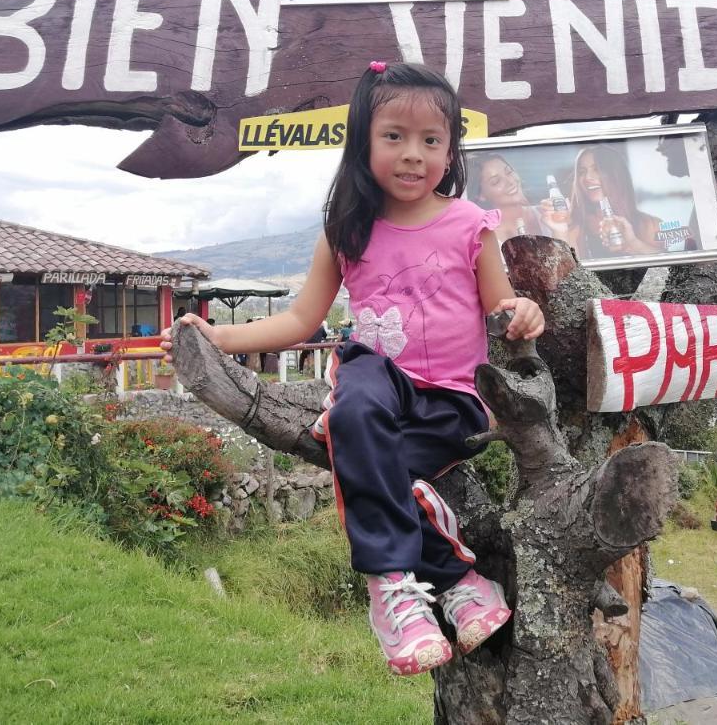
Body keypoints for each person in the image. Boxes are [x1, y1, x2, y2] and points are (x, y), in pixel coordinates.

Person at [161, 61, 543, 677]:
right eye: (394, 135)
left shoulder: (472, 226)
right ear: (363, 139)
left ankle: (448, 576)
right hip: (377, 382)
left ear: (451, 150)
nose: (413, 154)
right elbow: (298, 320)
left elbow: (501, 307)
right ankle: (399, 588)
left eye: (431, 141)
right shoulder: (347, 232)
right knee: (360, 402)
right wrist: (220, 336)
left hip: (455, 398)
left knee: (368, 464)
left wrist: (524, 310)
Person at [537, 144, 665, 258]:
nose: (587, 177)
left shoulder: (652, 225)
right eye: (582, 172)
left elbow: (671, 275)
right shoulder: (575, 229)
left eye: (597, 169)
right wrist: (560, 231)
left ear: (616, 174)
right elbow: (565, 278)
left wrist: (633, 244)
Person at [467, 152, 546, 245]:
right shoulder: (485, 238)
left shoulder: (546, 214)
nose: (511, 181)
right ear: (480, 195)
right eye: (496, 181)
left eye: (509, 172)